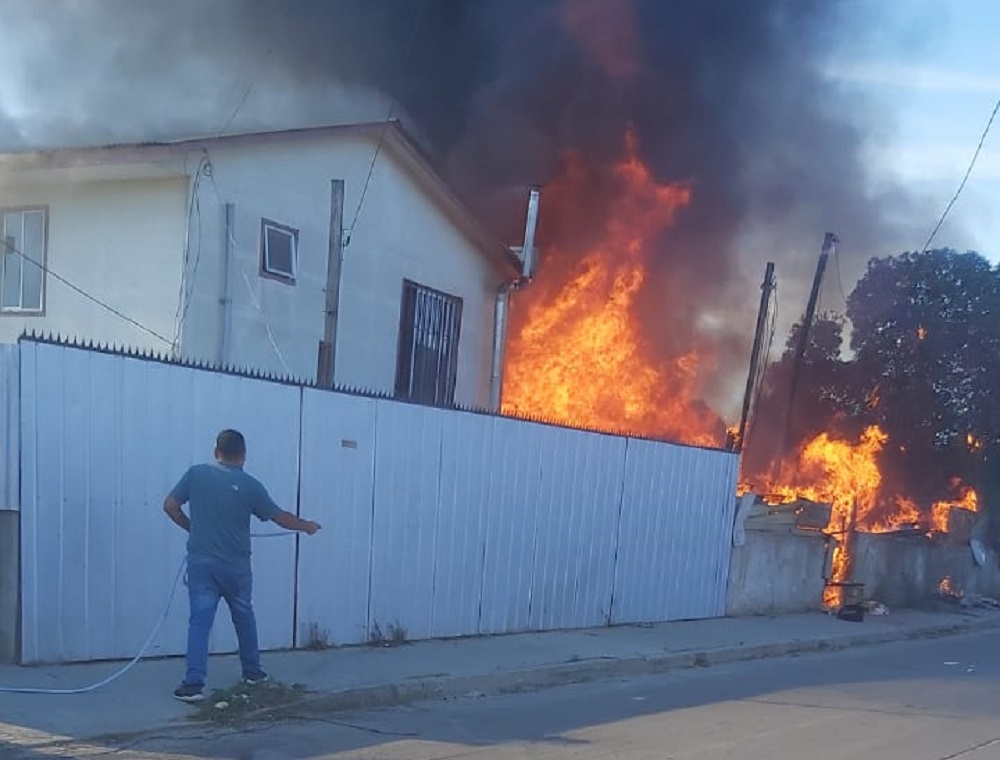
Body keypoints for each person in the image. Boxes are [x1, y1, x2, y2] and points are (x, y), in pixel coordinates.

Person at [163, 429, 322, 702]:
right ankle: (253, 673)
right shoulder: (250, 485)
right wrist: (307, 526)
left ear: (216, 452)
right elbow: (279, 517)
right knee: (244, 618)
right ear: (243, 456)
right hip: (236, 567)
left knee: (199, 623)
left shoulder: (195, 474)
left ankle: (193, 685)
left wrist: (192, 529)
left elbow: (170, 506)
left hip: (202, 563)